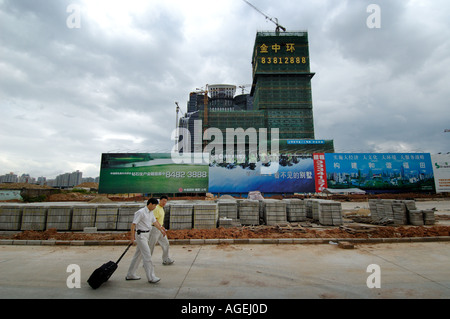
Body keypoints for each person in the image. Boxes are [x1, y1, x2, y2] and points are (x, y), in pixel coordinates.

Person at [126, 197, 166, 283]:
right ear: (150, 204)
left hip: (147, 235)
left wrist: (161, 230)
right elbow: (133, 225)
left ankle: (130, 274)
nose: (155, 207)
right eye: (154, 205)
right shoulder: (140, 212)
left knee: (138, 256)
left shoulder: (150, 212)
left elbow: (155, 222)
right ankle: (151, 277)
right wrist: (132, 238)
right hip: (141, 236)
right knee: (147, 255)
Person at [148, 195, 174, 265]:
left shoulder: (161, 208)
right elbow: (155, 220)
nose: (164, 203)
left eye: (165, 201)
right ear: (160, 200)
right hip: (155, 229)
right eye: (163, 201)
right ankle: (147, 262)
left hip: (160, 229)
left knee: (166, 243)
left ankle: (166, 259)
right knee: (151, 245)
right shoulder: (156, 208)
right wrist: (160, 227)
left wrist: (162, 227)